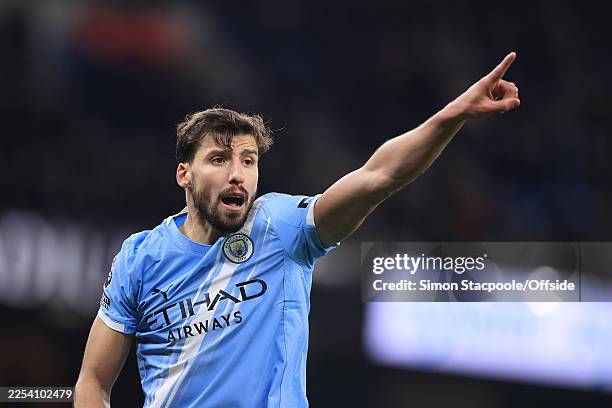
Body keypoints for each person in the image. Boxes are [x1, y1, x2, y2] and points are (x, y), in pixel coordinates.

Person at [74, 52, 520, 407]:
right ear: (184, 175)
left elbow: (377, 177)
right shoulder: (140, 257)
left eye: (248, 161)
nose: (238, 175)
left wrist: (454, 115)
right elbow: (93, 380)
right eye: (219, 160)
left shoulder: (279, 227)